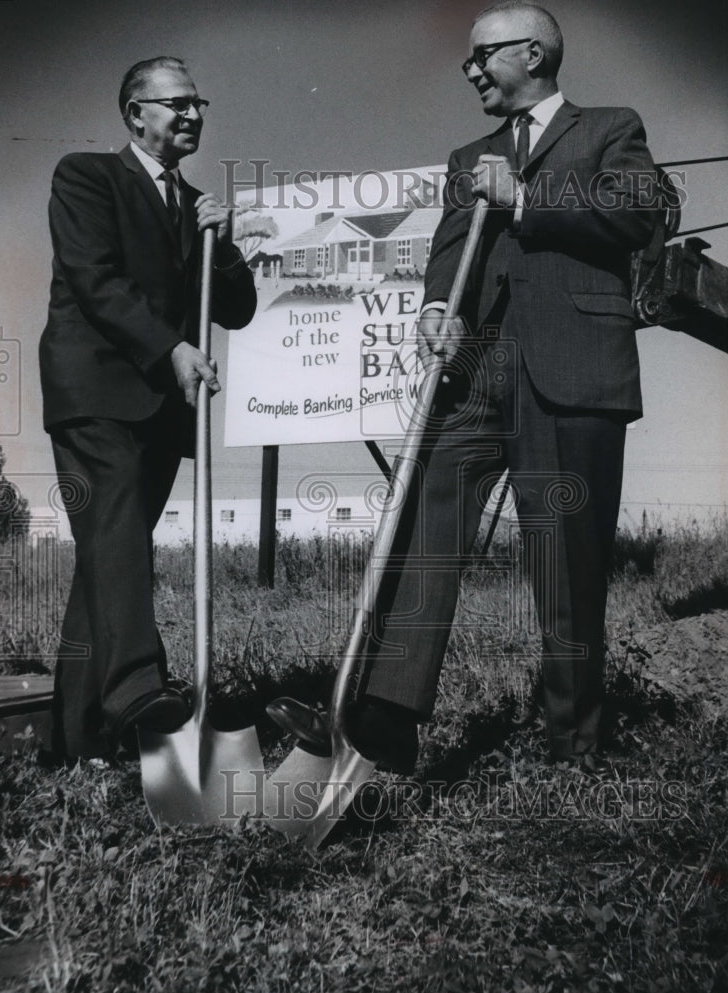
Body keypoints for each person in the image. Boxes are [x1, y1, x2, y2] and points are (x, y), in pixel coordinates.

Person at [268, 2, 658, 771]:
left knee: (565, 559)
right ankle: (384, 714)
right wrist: (439, 307)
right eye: (467, 60)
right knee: (424, 522)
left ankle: (572, 743)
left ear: (535, 53)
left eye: (482, 55)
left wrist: (524, 198)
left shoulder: (609, 127)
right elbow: (451, 253)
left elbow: (638, 211)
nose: (470, 69)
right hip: (479, 370)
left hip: (572, 369)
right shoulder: (466, 157)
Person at [41, 56, 256, 761]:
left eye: (200, 103)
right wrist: (170, 348)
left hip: (163, 407)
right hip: (96, 391)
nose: (194, 114)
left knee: (108, 557)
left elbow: (239, 309)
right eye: (178, 103)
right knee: (117, 542)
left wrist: (219, 244)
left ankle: (74, 742)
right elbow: (94, 279)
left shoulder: (196, 207)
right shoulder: (87, 176)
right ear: (136, 113)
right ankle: (138, 693)